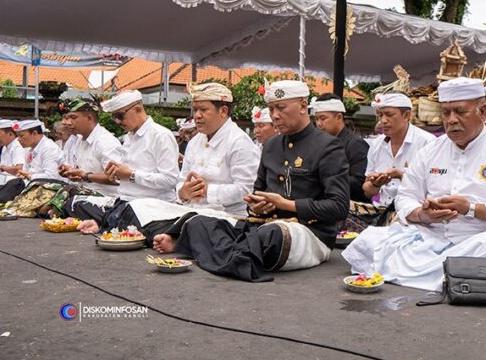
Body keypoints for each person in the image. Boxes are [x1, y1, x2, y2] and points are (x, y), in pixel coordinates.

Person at [343, 78, 486, 299]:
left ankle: (434, 275)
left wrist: (471, 209)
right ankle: (455, 277)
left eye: (460, 112)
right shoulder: (430, 151)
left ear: (482, 112)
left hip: (477, 242)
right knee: (370, 239)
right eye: (446, 113)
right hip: (430, 239)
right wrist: (422, 214)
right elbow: (406, 196)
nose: (452, 120)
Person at [152, 79, 350, 277]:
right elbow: (254, 196)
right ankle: (231, 254)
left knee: (273, 235)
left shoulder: (328, 146)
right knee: (200, 221)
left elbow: (339, 207)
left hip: (307, 232)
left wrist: (287, 205)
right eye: (271, 109)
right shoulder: (271, 145)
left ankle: (206, 249)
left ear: (303, 106)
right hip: (260, 226)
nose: (275, 116)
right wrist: (256, 205)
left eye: (280, 108)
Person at [176, 82, 259, 215]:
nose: (197, 115)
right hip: (190, 211)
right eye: (195, 110)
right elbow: (182, 180)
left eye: (203, 110)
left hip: (227, 218)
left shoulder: (239, 142)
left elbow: (246, 189)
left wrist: (208, 191)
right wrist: (183, 192)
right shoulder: (195, 141)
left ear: (223, 111)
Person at [99, 90, 179, 201]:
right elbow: (128, 176)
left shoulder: (160, 135)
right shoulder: (128, 137)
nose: (117, 121)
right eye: (114, 117)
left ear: (137, 109)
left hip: (152, 206)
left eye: (120, 116)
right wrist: (116, 173)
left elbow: (170, 180)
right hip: (125, 201)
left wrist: (131, 175)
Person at [363, 92, 435, 208]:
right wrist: (375, 184)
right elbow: (368, 191)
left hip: (414, 212)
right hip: (382, 209)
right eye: (380, 115)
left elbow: (433, 188)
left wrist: (401, 175)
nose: (383, 121)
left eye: (389, 114)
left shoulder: (427, 142)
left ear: (406, 116)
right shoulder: (377, 144)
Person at [57, 99, 123, 197]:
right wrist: (72, 172)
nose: (67, 123)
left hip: (105, 200)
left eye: (73, 117)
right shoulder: (79, 139)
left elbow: (118, 179)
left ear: (89, 118)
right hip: (83, 194)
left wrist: (86, 176)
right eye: (67, 118)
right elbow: (84, 172)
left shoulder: (105, 142)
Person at [311, 93, 369, 202]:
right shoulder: (317, 143)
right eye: (316, 119)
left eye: (323, 118)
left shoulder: (355, 144)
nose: (318, 123)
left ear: (338, 117)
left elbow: (359, 182)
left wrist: (324, 178)